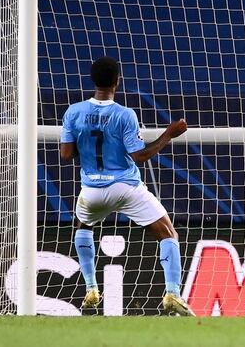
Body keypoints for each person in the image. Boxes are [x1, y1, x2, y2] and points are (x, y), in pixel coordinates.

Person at [60, 56, 194, 316]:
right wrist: (169, 134)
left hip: (91, 191)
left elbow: (66, 154)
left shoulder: (73, 112)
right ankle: (172, 293)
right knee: (168, 234)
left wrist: (86, 143)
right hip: (125, 187)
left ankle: (91, 287)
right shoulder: (125, 115)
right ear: (117, 81)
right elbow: (140, 156)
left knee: (83, 226)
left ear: (92, 80)